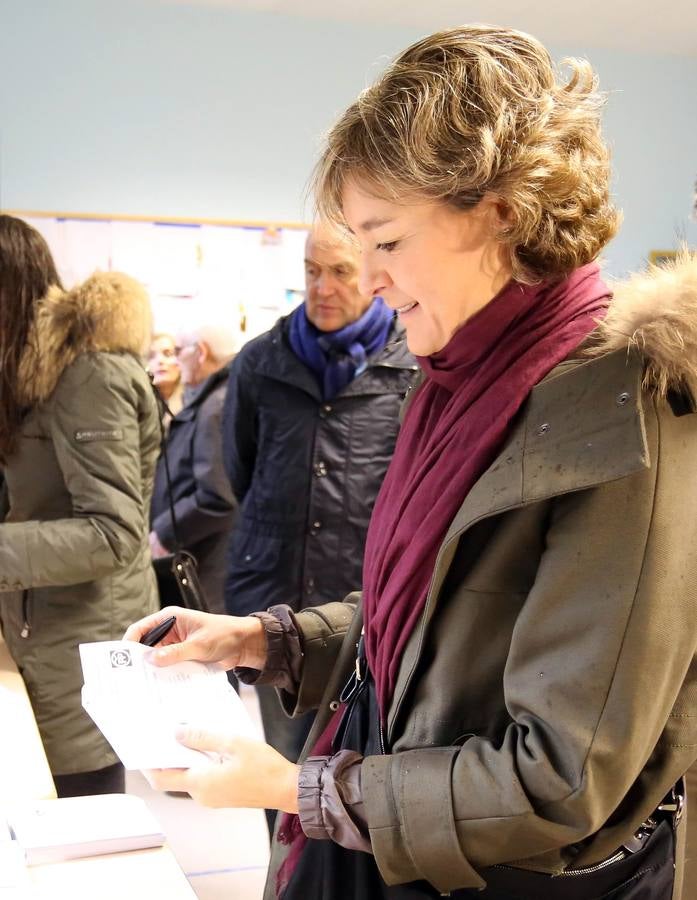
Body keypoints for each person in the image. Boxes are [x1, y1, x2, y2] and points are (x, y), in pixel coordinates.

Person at [125, 25, 697, 900]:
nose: (369, 277)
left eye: (385, 241)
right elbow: (433, 629)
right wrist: (265, 640)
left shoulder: (625, 415)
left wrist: (295, 787)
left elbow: (560, 778)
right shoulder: (460, 381)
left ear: (499, 211)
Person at [222, 224, 417, 789]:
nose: (322, 288)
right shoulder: (261, 361)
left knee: (358, 784)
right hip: (274, 599)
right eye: (311, 271)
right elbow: (243, 471)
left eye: (339, 272)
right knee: (276, 778)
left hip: (367, 609)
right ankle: (285, 882)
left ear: (374, 275)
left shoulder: (410, 366)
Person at [0, 215, 160, 797]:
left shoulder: (88, 375)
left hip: (79, 641)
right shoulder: (28, 376)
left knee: (80, 814)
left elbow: (113, 533)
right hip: (37, 626)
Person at [149, 318, 238, 615]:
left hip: (209, 568)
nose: (174, 360)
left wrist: (163, 534)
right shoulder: (215, 398)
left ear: (200, 352)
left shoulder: (217, 404)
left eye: (177, 351)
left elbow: (218, 496)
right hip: (206, 560)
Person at [148, 332, 184, 425]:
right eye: (151, 356)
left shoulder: (193, 400)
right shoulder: (140, 402)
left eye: (168, 354)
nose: (160, 361)